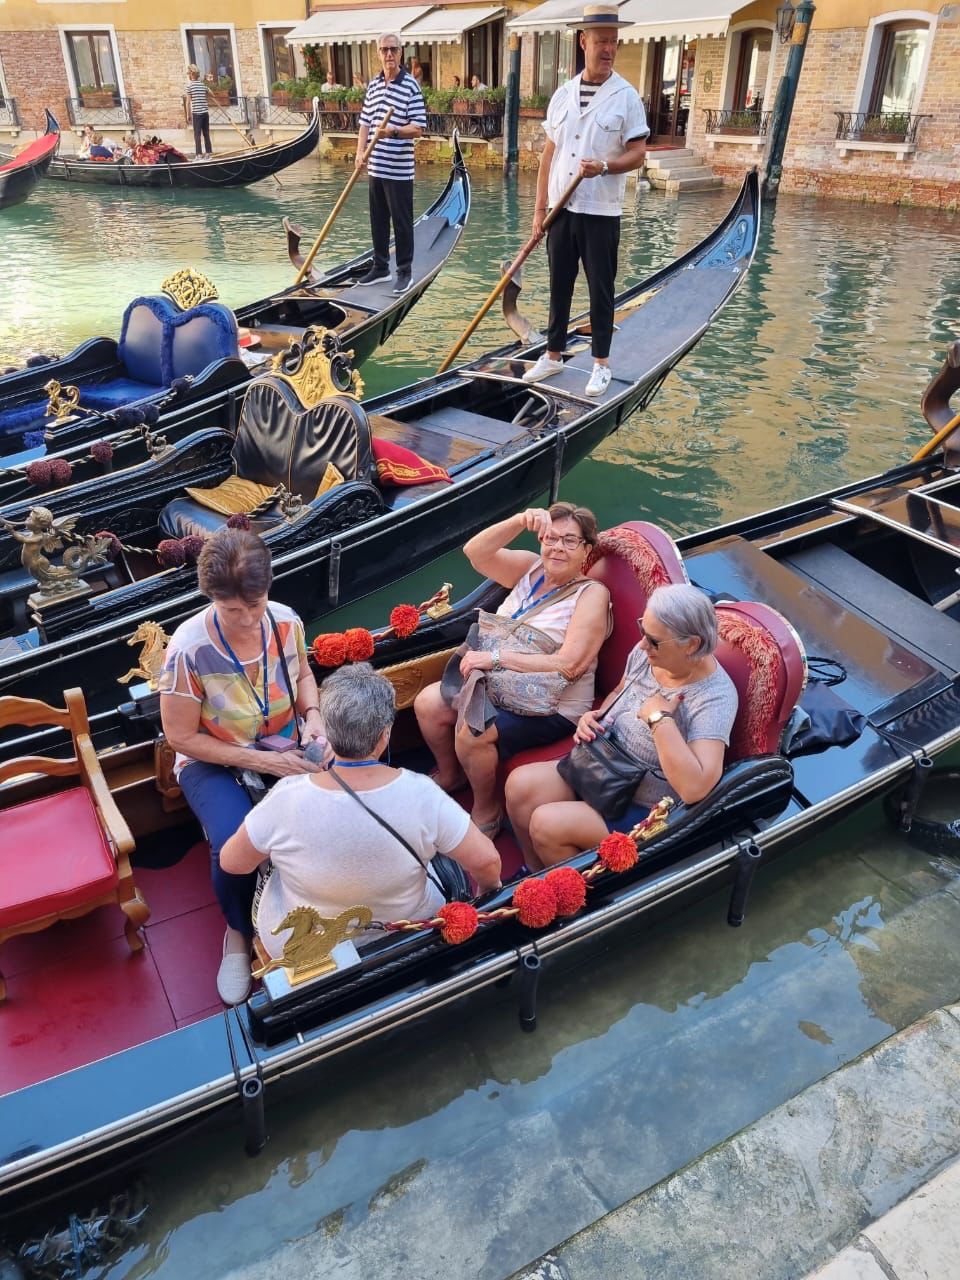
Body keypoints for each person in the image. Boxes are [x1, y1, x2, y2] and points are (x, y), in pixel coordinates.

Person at [221, 664, 502, 961]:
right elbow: (487, 861)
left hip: (309, 945)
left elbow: (233, 863)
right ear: (385, 735)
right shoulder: (422, 793)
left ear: (326, 733)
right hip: (407, 929)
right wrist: (485, 894)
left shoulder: (285, 797)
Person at [159, 528, 325, 1005]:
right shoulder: (187, 650)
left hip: (285, 742)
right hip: (212, 758)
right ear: (211, 599)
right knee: (235, 838)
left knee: (331, 801)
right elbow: (180, 737)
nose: (248, 619)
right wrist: (260, 760)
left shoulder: (285, 620)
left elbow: (304, 674)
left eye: (255, 605)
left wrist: (314, 718)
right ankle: (237, 931)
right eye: (233, 610)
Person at [506, 584, 738, 869]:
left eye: (654, 641)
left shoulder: (715, 697)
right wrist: (596, 717)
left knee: (546, 824)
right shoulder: (648, 652)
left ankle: (574, 893)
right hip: (604, 767)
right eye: (643, 630)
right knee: (520, 786)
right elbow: (620, 691)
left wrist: (659, 720)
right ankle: (533, 872)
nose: (642, 645)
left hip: (644, 807)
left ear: (690, 644)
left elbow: (695, 788)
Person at [414, 502, 611, 837]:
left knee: (473, 730)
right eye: (551, 538)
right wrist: (519, 520)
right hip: (498, 684)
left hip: (553, 704)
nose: (557, 547)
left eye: (570, 541)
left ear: (586, 551)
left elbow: (571, 665)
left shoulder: (592, 594)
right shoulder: (530, 568)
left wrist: (496, 659)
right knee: (427, 704)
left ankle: (487, 809)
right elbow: (475, 553)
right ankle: (451, 775)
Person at [523, 4, 649, 400]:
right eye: (601, 42)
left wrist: (606, 167)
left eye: (613, 42)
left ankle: (601, 365)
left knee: (601, 290)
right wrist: (540, 210)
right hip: (561, 209)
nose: (608, 49)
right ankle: (553, 355)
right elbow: (548, 156)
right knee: (559, 285)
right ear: (583, 42)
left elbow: (638, 154)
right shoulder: (563, 94)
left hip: (600, 211)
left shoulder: (626, 97)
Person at [354, 32, 426, 296]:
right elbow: (365, 123)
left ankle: (405, 272)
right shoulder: (373, 85)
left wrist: (393, 132)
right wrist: (359, 152)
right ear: (378, 53)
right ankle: (381, 267)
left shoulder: (411, 86)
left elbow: (418, 128)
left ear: (401, 52)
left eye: (393, 49)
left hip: (399, 170)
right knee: (378, 221)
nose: (389, 54)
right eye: (384, 50)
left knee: (402, 223)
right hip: (376, 167)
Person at [185, 64, 213, 159]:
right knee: (206, 133)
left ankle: (199, 155)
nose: (188, 75)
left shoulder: (190, 86)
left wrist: (188, 115)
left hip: (197, 114)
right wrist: (207, 89)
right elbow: (212, 94)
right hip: (205, 113)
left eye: (188, 74)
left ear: (191, 74)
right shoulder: (202, 85)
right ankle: (208, 153)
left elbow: (188, 102)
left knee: (197, 135)